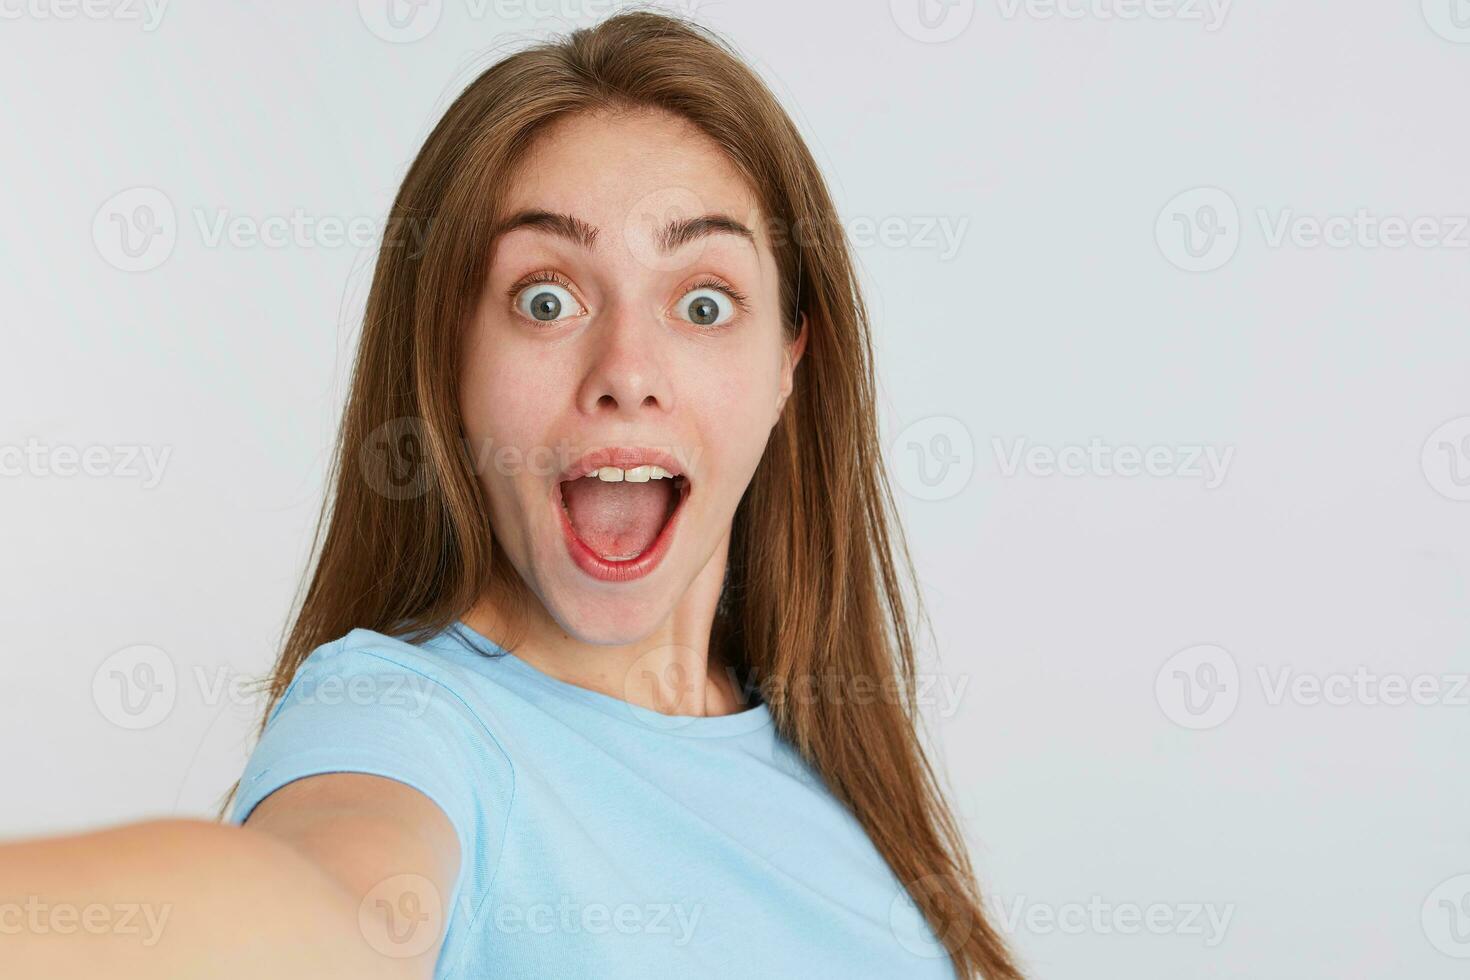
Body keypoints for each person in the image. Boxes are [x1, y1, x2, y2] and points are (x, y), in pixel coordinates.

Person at [0, 11, 1020, 979]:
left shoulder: (831, 761)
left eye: (703, 303)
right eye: (546, 298)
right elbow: (326, 901)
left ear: (790, 359)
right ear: (450, 356)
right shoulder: (402, 720)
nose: (627, 367)